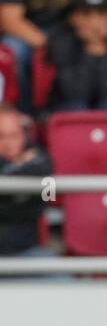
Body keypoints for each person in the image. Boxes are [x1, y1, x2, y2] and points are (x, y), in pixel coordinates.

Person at [44, 0, 107, 113]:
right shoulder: (60, 42)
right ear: (73, 17)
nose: (94, 21)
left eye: (101, 14)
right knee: (77, 107)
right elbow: (73, 94)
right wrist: (90, 49)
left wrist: (100, 48)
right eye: (86, 14)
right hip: (69, 108)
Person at [0, 103, 50, 256]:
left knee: (64, 279)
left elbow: (49, 196)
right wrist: (22, 199)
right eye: (1, 137)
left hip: (28, 253)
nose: (9, 144)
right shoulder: (29, 161)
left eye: (14, 135)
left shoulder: (38, 158)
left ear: (23, 135)